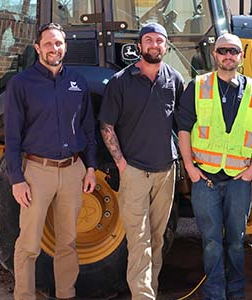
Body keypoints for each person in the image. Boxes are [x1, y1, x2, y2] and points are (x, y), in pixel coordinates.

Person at [4, 22, 98, 300]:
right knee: (29, 244)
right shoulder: (21, 84)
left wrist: (90, 168)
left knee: (67, 243)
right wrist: (16, 179)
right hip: (37, 172)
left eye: (58, 43)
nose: (53, 48)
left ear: (65, 47)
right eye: (48, 43)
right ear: (37, 48)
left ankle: (66, 294)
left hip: (73, 171)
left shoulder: (77, 82)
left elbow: (88, 128)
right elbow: (11, 136)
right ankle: (24, 295)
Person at [176, 33, 252, 300]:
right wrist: (190, 169)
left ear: (241, 56)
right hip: (204, 178)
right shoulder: (198, 86)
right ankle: (215, 293)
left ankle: (236, 292)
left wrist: (251, 170)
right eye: (222, 51)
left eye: (234, 51)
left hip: (239, 180)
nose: (228, 56)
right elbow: (184, 130)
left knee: (237, 241)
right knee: (212, 242)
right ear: (214, 55)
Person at [97, 23, 185, 300]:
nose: (154, 45)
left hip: (165, 171)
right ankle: (143, 296)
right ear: (139, 46)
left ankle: (151, 291)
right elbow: (106, 126)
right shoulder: (121, 81)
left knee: (157, 239)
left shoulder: (175, 79)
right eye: (148, 40)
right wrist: (122, 164)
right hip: (134, 171)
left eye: (159, 40)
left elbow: (182, 125)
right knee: (139, 240)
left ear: (166, 46)